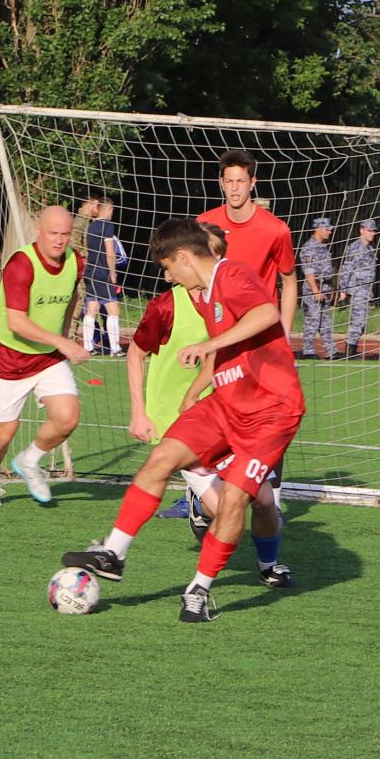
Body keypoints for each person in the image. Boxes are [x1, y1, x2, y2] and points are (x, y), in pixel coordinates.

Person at [64, 217, 306, 622]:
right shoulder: (205, 294)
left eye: (167, 267)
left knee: (240, 500)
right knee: (162, 458)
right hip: (225, 403)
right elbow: (225, 349)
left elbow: (266, 314)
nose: (167, 276)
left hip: (271, 413)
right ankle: (113, 553)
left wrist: (209, 345)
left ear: (182, 257)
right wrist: (196, 389)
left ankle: (199, 590)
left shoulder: (231, 275)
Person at [124, 274, 291, 586]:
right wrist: (139, 412)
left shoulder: (228, 300)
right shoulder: (166, 306)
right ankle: (198, 509)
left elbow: (225, 353)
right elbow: (135, 353)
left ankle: (268, 566)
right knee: (227, 515)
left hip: (231, 417)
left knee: (263, 502)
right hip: (183, 424)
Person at [0, 205, 88, 506]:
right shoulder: (21, 264)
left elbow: (73, 295)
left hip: (47, 355)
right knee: (3, 434)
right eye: (53, 233)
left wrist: (64, 335)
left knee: (67, 417)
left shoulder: (75, 261)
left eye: (65, 234)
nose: (60, 240)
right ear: (38, 231)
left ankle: (29, 461)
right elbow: (17, 322)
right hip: (9, 355)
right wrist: (62, 342)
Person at [198, 149, 297, 336]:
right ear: (221, 183)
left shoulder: (275, 229)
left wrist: (285, 334)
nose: (234, 188)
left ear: (252, 183)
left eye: (241, 181)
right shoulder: (204, 225)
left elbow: (289, 282)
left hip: (260, 331)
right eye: (229, 181)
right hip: (219, 331)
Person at [79, 195, 123, 356]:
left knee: (92, 308)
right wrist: (113, 273)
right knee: (114, 309)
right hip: (103, 272)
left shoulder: (91, 226)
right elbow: (110, 252)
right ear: (109, 209)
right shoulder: (107, 226)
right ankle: (115, 348)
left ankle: (88, 347)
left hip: (90, 271)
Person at [335, 218, 378, 356]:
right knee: (358, 321)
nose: (372, 233)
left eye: (374, 231)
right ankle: (349, 351)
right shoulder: (354, 248)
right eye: (370, 230)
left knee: (362, 322)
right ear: (362, 230)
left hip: (366, 291)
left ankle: (352, 349)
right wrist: (343, 290)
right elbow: (346, 269)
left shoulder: (370, 249)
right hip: (357, 290)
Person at [297, 216, 337, 359]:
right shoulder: (309, 247)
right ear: (318, 229)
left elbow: (328, 270)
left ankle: (331, 352)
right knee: (312, 320)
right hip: (314, 288)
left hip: (324, 287)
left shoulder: (323, 247)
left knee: (325, 322)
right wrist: (315, 290)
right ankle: (308, 351)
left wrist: (331, 288)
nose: (329, 232)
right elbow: (309, 272)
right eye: (327, 229)